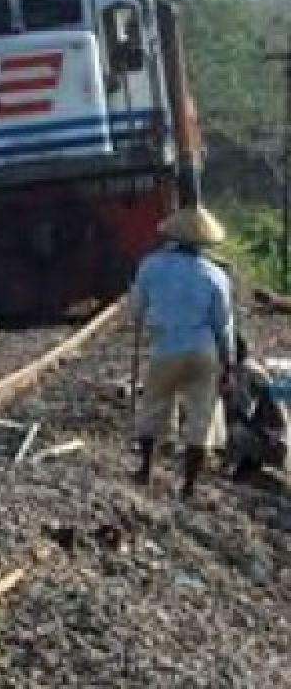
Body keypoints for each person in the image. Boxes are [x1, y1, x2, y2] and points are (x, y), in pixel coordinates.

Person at [130, 205, 234, 499]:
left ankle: (145, 470)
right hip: (204, 350)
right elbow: (223, 324)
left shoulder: (151, 265)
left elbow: (136, 308)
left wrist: (145, 317)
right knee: (201, 416)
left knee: (154, 405)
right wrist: (228, 362)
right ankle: (188, 485)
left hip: (165, 347)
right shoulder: (215, 274)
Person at [224, 334, 290, 479]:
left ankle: (237, 465)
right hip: (277, 438)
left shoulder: (244, 372)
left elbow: (242, 410)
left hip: (274, 443)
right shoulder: (252, 367)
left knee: (233, 425)